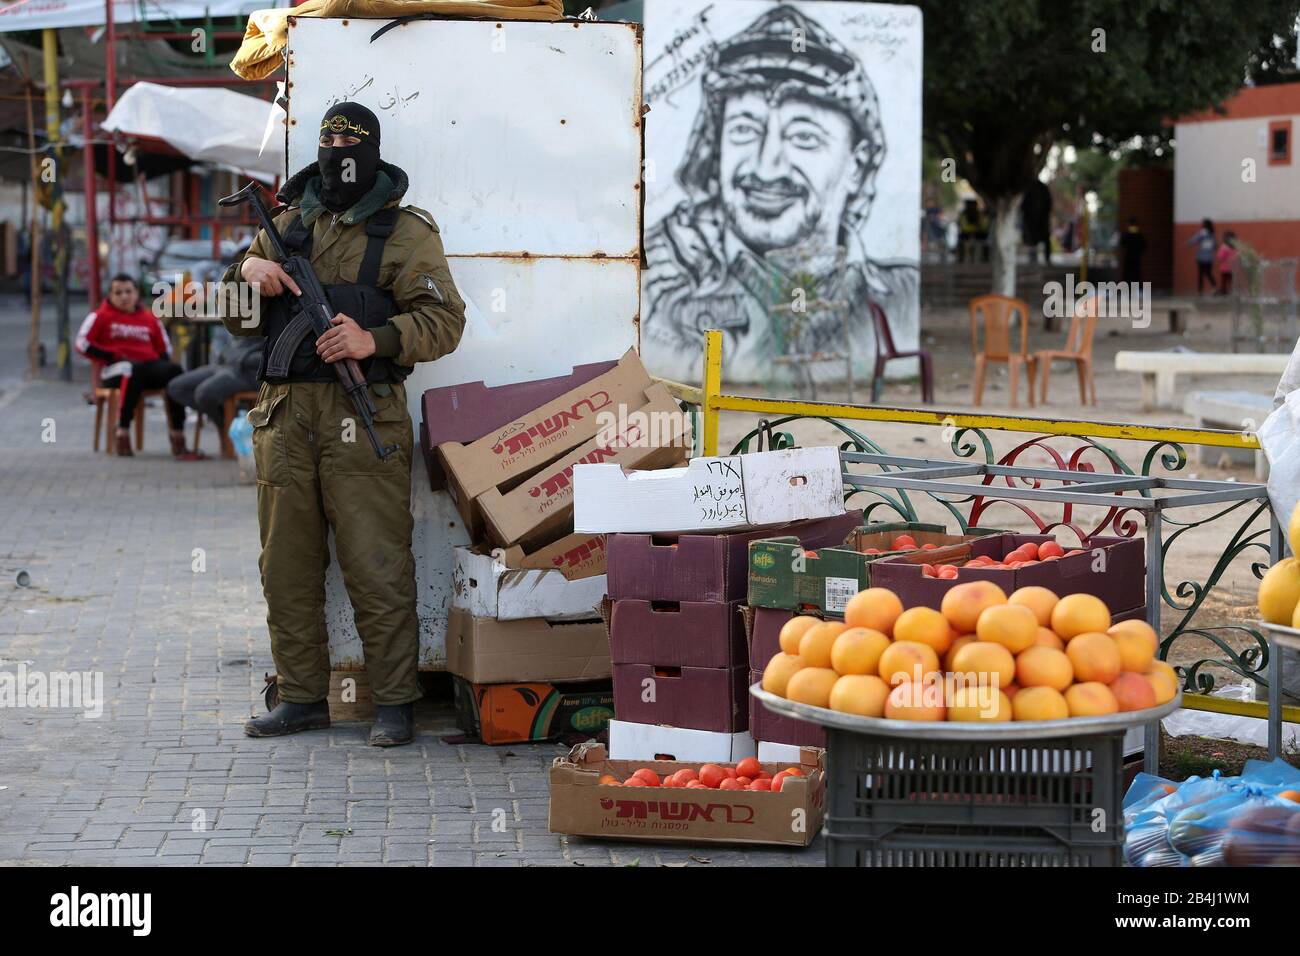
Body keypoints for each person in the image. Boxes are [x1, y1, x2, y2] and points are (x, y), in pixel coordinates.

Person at [222, 102, 466, 747]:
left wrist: (374, 338)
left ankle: (394, 702)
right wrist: (245, 274)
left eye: (350, 145)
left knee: (377, 561)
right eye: (328, 144)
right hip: (284, 415)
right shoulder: (280, 223)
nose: (338, 155)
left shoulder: (405, 232)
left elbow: (446, 322)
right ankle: (301, 697)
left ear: (374, 152)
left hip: (363, 416)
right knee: (286, 565)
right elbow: (235, 317)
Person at [641, 5, 918, 382]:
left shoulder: (898, 295)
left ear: (857, 164)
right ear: (715, 148)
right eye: (744, 130)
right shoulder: (656, 285)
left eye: (804, 137)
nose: (766, 167)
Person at [76, 273, 195, 458]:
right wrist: (111, 355)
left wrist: (160, 368)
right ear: (110, 295)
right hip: (115, 370)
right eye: (118, 292)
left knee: (175, 371)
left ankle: (177, 434)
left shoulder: (150, 319)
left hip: (147, 367)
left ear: (137, 293)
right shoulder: (99, 316)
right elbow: (82, 343)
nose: (124, 296)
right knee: (131, 368)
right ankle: (122, 430)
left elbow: (165, 349)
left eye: (128, 291)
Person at [166, 329, 264, 434]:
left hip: (249, 372)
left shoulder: (272, 316)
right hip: (225, 365)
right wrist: (225, 354)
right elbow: (220, 344)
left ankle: (228, 428)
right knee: (176, 387)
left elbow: (272, 357)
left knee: (204, 393)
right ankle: (227, 422)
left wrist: (240, 357)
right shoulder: (233, 316)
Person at [1021, 179, 1052, 265]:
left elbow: (1048, 203)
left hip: (1039, 219)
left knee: (1037, 239)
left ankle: (1043, 258)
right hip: (1035, 219)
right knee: (1033, 239)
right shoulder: (1032, 188)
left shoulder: (1037, 188)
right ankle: (1036, 258)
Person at [1187, 218, 1217, 294]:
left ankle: (1201, 290)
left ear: (1204, 225)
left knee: (1201, 274)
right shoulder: (1212, 234)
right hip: (1209, 257)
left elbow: (1194, 240)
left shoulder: (1202, 233)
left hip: (1201, 257)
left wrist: (1188, 243)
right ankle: (1213, 287)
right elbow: (1215, 245)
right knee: (1208, 273)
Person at [957, 198, 989, 263]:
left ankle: (962, 258)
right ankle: (982, 258)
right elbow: (961, 224)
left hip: (973, 234)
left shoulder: (977, 214)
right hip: (971, 233)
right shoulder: (966, 214)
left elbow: (960, 224)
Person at [1119, 217, 1147, 286]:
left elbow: (1122, 243)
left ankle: (1128, 288)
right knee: (1136, 274)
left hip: (1129, 257)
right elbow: (1144, 246)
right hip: (1137, 258)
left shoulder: (1127, 234)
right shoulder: (1139, 234)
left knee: (1128, 274)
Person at [1216, 231, 1239, 296]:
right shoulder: (1234, 247)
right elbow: (1237, 256)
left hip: (1225, 268)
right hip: (1232, 268)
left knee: (1224, 280)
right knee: (1231, 281)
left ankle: (1224, 291)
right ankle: (1232, 291)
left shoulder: (1224, 247)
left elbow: (1220, 256)